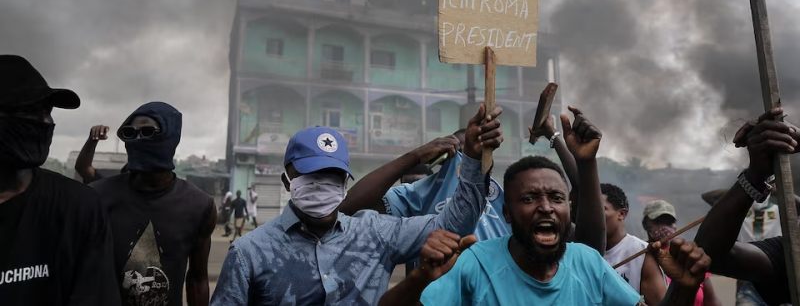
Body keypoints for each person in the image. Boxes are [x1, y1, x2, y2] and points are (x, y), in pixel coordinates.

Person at [211, 103, 503, 305]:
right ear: (287, 181)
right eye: (311, 175)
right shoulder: (249, 253)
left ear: (345, 183)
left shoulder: (376, 233)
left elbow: (454, 224)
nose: (321, 184)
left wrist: (474, 160)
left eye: (332, 176)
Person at [380, 155, 711, 305]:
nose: (546, 207)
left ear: (569, 209)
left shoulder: (588, 264)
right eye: (529, 198)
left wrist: (682, 288)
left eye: (556, 197)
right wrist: (421, 278)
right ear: (507, 213)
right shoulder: (474, 263)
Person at [340, 107, 607, 254]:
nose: (471, 154)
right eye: (466, 147)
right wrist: (413, 156)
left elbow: (583, 217)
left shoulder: (510, 196)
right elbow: (347, 208)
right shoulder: (417, 193)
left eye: (480, 145)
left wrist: (570, 150)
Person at [0, 54, 120, 305]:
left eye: (47, 111)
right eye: (29, 111)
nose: (46, 122)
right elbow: (84, 167)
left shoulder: (79, 207)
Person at [91, 102, 216, 306]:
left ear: (171, 137)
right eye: (130, 133)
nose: (138, 139)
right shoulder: (98, 197)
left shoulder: (199, 206)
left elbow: (197, 279)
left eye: (148, 131)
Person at [695, 107, 800, 305]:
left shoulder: (781, 209)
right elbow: (709, 255)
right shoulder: (790, 251)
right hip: (754, 282)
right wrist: (754, 176)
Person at [642, 199, 722, 306]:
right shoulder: (641, 257)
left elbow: (711, 300)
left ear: (675, 226)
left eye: (669, 222)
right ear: (646, 225)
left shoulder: (688, 253)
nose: (665, 227)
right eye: (659, 221)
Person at [601, 183, 666, 304]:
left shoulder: (641, 253)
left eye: (600, 209)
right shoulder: (579, 251)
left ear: (621, 214)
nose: (593, 216)